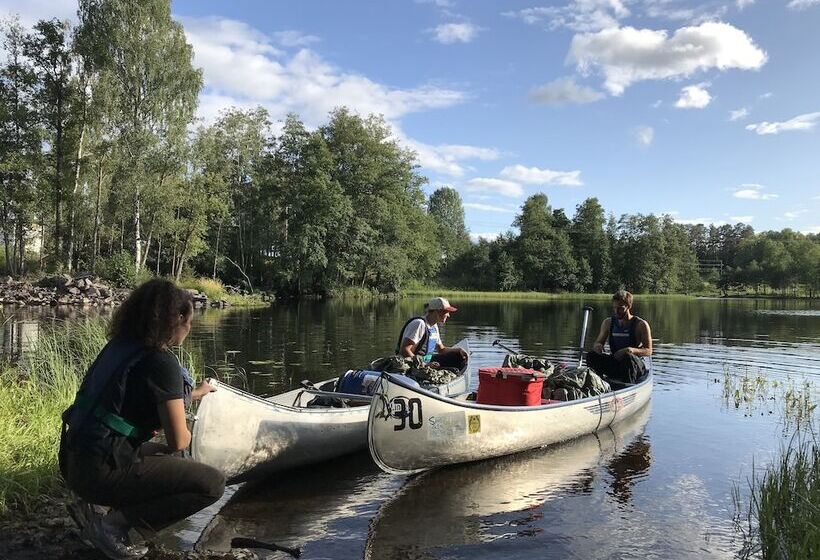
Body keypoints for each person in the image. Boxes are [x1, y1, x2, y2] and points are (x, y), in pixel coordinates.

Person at [59, 279, 225, 560]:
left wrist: (194, 393)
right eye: (189, 320)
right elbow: (178, 441)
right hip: (97, 474)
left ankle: (105, 512)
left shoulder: (120, 348)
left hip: (73, 461)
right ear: (178, 318)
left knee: (164, 458)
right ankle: (114, 527)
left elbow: (131, 399)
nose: (190, 328)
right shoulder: (163, 363)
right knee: (211, 483)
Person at [586, 289, 652, 384]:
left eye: (620, 308)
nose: (616, 311)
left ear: (629, 306)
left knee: (628, 357)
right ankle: (597, 385)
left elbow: (648, 351)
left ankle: (627, 388)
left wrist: (630, 350)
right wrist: (598, 346)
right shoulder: (608, 323)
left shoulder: (641, 324)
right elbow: (598, 342)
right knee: (591, 356)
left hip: (633, 366)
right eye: (614, 308)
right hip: (616, 363)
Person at [396, 296, 467, 370]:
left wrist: (458, 350)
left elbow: (441, 350)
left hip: (426, 361)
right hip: (412, 363)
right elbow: (404, 350)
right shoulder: (419, 324)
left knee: (459, 356)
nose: (448, 315)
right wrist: (425, 364)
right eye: (446, 312)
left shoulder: (434, 326)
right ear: (437, 312)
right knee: (454, 366)